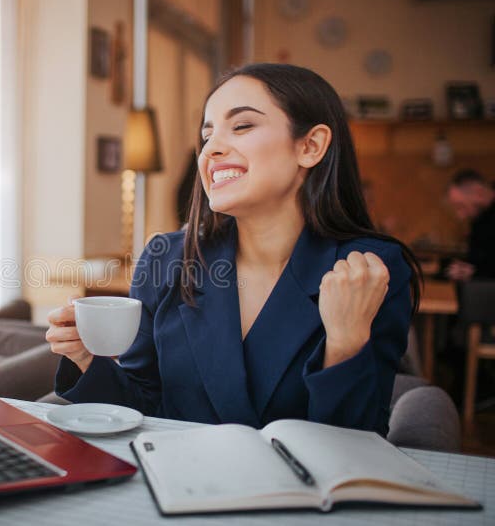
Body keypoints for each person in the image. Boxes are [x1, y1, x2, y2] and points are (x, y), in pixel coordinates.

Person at [46, 63, 421, 436]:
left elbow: (357, 451)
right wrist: (84, 358)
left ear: (310, 146)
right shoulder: (166, 258)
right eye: (207, 135)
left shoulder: (368, 270)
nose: (212, 150)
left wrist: (345, 344)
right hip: (175, 484)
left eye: (241, 126)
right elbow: (143, 408)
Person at [444, 169, 495, 281]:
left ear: (479, 193)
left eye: (461, 206)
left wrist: (478, 272)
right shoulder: (478, 218)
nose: (460, 216)